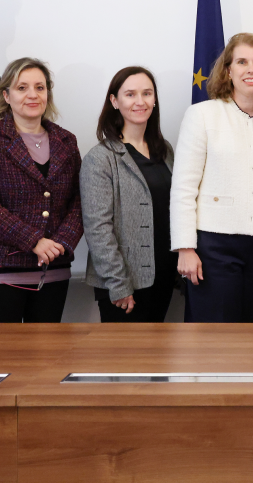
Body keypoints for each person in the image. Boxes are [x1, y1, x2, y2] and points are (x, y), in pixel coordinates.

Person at [171, 33, 253, 323]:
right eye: (242, 62)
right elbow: (183, 188)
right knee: (213, 339)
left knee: (249, 333)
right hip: (214, 246)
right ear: (228, 70)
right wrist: (185, 248)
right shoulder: (202, 115)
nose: (251, 69)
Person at [0, 58, 82, 323]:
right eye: (22, 87)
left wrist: (60, 245)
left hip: (54, 270)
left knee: (45, 358)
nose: (32, 94)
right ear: (6, 95)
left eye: (40, 87)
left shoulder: (67, 140)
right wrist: (34, 241)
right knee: (3, 358)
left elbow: (79, 201)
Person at [81, 67, 176, 323]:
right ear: (114, 101)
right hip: (124, 284)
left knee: (157, 360)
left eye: (147, 93)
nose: (140, 101)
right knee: (124, 362)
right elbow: (98, 228)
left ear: (154, 100)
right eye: (130, 94)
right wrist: (118, 284)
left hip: (164, 273)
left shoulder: (164, 150)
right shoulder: (100, 158)